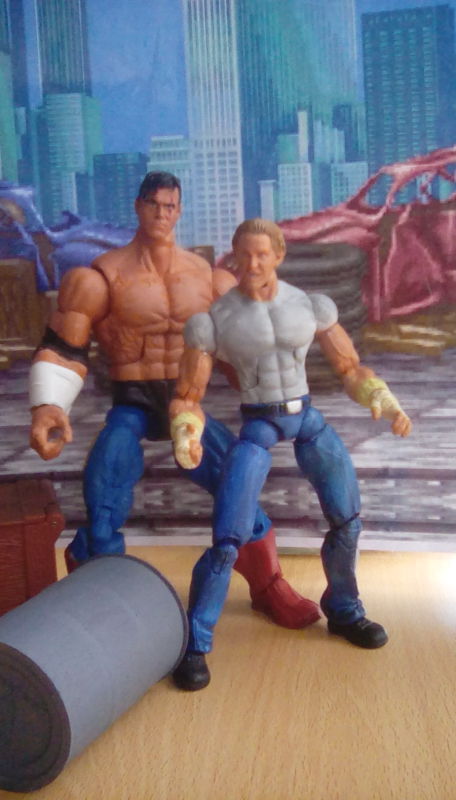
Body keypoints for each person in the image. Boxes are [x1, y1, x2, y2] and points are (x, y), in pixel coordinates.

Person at [29, 174, 320, 632]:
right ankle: (98, 600)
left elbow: (243, 348)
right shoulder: (100, 277)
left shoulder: (209, 279)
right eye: (153, 204)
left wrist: (273, 396)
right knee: (105, 490)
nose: (161, 213)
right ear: (138, 206)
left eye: (170, 206)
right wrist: (49, 405)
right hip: (134, 400)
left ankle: (268, 584)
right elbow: (65, 348)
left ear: (179, 211)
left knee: (237, 483)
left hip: (187, 404)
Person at [170, 217, 412, 691]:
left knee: (348, 520)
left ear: (279, 254)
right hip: (259, 424)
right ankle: (195, 642)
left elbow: (350, 366)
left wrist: (382, 398)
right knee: (228, 539)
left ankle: (344, 611)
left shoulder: (309, 306)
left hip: (307, 419)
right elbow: (187, 395)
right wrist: (185, 432)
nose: (253, 264)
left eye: (263, 254)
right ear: (233, 258)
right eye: (244, 255)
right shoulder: (215, 321)